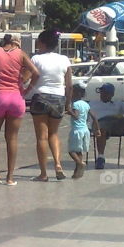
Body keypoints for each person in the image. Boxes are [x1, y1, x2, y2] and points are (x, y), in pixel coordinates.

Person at [0, 34, 39, 185]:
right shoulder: (21, 54)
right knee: (12, 138)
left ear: (4, 42)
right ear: (16, 43)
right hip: (16, 98)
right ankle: (10, 177)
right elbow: (36, 72)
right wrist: (26, 89)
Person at [28, 29, 74, 181]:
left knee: (42, 137)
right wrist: (68, 104)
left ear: (42, 43)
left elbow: (27, 77)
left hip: (40, 96)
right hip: (59, 97)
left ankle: (43, 174)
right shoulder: (64, 59)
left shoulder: (36, 59)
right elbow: (69, 85)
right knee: (54, 134)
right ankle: (58, 164)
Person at [89, 82, 124, 168]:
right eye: (102, 92)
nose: (103, 94)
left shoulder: (118, 103)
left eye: (106, 92)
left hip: (115, 124)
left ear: (112, 94)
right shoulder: (93, 103)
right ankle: (101, 157)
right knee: (101, 129)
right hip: (99, 123)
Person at [67, 83, 98, 178]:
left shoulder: (75, 104)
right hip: (85, 131)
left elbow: (76, 116)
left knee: (71, 151)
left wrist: (69, 111)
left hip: (77, 131)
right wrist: (97, 129)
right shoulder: (86, 104)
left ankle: (80, 163)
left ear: (76, 93)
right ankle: (77, 172)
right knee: (79, 151)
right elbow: (94, 117)